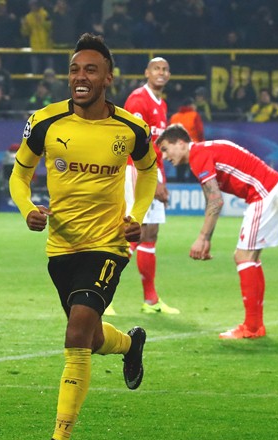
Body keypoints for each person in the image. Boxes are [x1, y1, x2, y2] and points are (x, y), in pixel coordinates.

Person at [9, 33, 157, 440]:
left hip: (108, 246)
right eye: (75, 69)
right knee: (89, 339)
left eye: (90, 70)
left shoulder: (130, 128)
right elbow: (20, 175)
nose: (80, 77)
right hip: (61, 249)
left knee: (75, 335)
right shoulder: (45, 122)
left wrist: (137, 215)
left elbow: (148, 173)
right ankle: (130, 343)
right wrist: (28, 209)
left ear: (108, 78)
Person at [156, 124, 278, 340]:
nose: (164, 156)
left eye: (165, 148)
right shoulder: (205, 151)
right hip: (272, 189)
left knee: (243, 256)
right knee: (251, 258)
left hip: (264, 193)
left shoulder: (198, 155)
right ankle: (255, 326)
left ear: (180, 143)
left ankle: (251, 327)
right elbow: (213, 199)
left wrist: (202, 238)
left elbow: (215, 200)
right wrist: (207, 239)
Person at [112, 57, 179, 315]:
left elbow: (158, 147)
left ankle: (150, 300)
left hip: (152, 173)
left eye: (165, 69)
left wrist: (160, 178)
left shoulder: (161, 104)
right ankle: (101, 297)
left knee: (149, 235)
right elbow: (135, 143)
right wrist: (150, 180)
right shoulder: (138, 100)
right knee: (129, 233)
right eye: (156, 69)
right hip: (136, 172)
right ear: (147, 73)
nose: (161, 73)